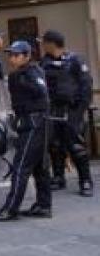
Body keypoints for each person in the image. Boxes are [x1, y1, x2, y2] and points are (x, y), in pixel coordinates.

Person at [0, 41, 52, 221]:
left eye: (17, 55)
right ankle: (43, 205)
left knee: (21, 167)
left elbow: (42, 93)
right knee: (40, 168)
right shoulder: (23, 73)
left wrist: (20, 81)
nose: (12, 58)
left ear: (27, 56)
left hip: (34, 123)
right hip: (33, 122)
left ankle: (10, 209)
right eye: (11, 54)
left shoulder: (30, 73)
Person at [40, 30, 94, 197]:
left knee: (76, 146)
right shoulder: (45, 62)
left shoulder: (75, 60)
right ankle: (58, 177)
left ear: (51, 43)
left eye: (44, 42)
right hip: (52, 110)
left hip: (72, 110)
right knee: (55, 146)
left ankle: (85, 180)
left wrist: (78, 112)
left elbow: (86, 88)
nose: (42, 45)